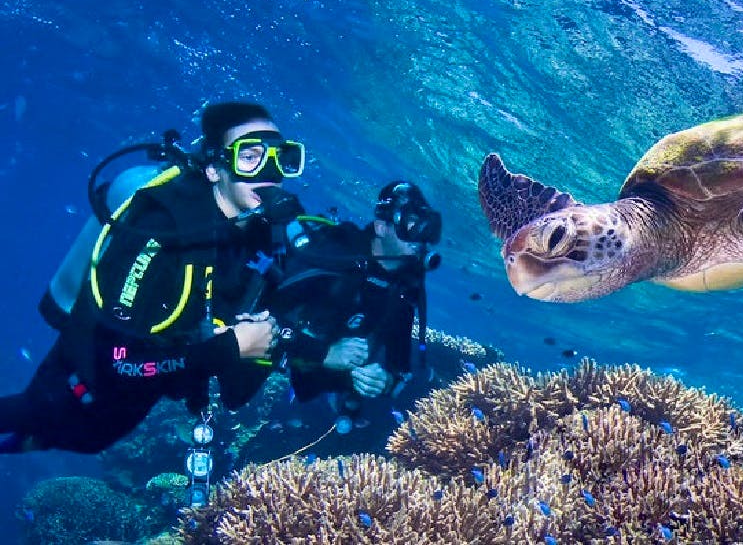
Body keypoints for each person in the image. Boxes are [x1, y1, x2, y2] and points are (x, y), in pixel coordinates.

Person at [0, 102, 306, 453]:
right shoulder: (160, 229)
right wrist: (228, 347)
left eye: (281, 157)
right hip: (73, 392)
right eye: (249, 157)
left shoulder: (252, 237)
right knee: (32, 422)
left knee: (48, 441)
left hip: (121, 414)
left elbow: (231, 377)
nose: (269, 172)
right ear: (213, 169)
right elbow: (115, 362)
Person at [268, 181, 442, 420]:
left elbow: (399, 366)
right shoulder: (335, 256)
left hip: (321, 385)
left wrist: (385, 382)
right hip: (274, 359)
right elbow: (262, 318)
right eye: (410, 224)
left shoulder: (405, 287)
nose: (420, 237)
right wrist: (323, 353)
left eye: (425, 227)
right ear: (381, 226)